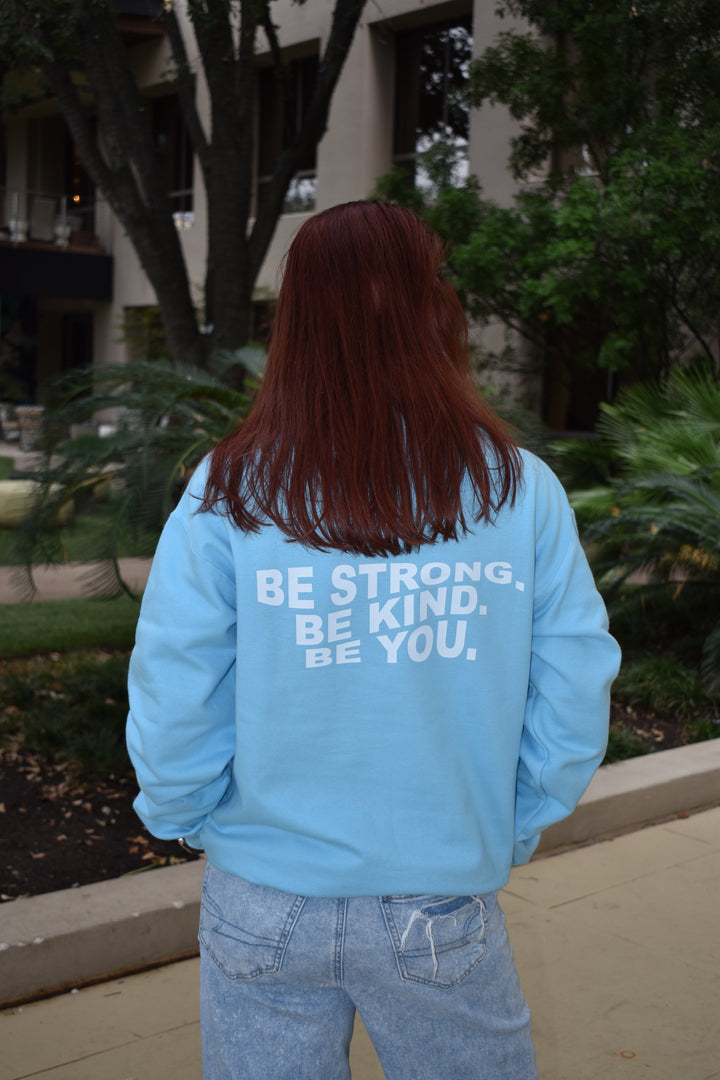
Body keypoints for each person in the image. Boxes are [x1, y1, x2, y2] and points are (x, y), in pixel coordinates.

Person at [127, 200, 621, 1080]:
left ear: (297, 324)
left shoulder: (228, 487)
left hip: (260, 896)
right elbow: (575, 685)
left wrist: (184, 813)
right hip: (440, 895)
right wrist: (509, 823)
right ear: (437, 311)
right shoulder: (517, 487)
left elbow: (175, 684)